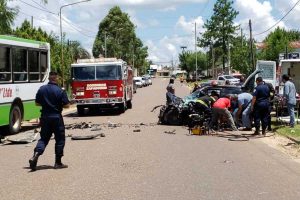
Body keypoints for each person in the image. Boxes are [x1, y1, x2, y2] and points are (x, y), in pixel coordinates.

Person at [29, 72, 70, 171]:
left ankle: (36, 155)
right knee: (60, 139)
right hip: (56, 118)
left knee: (43, 138)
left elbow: (37, 103)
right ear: (56, 79)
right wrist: (57, 105)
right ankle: (58, 162)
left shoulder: (42, 89)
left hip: (45, 117)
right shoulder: (60, 91)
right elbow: (67, 105)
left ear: (49, 79)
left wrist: (46, 104)